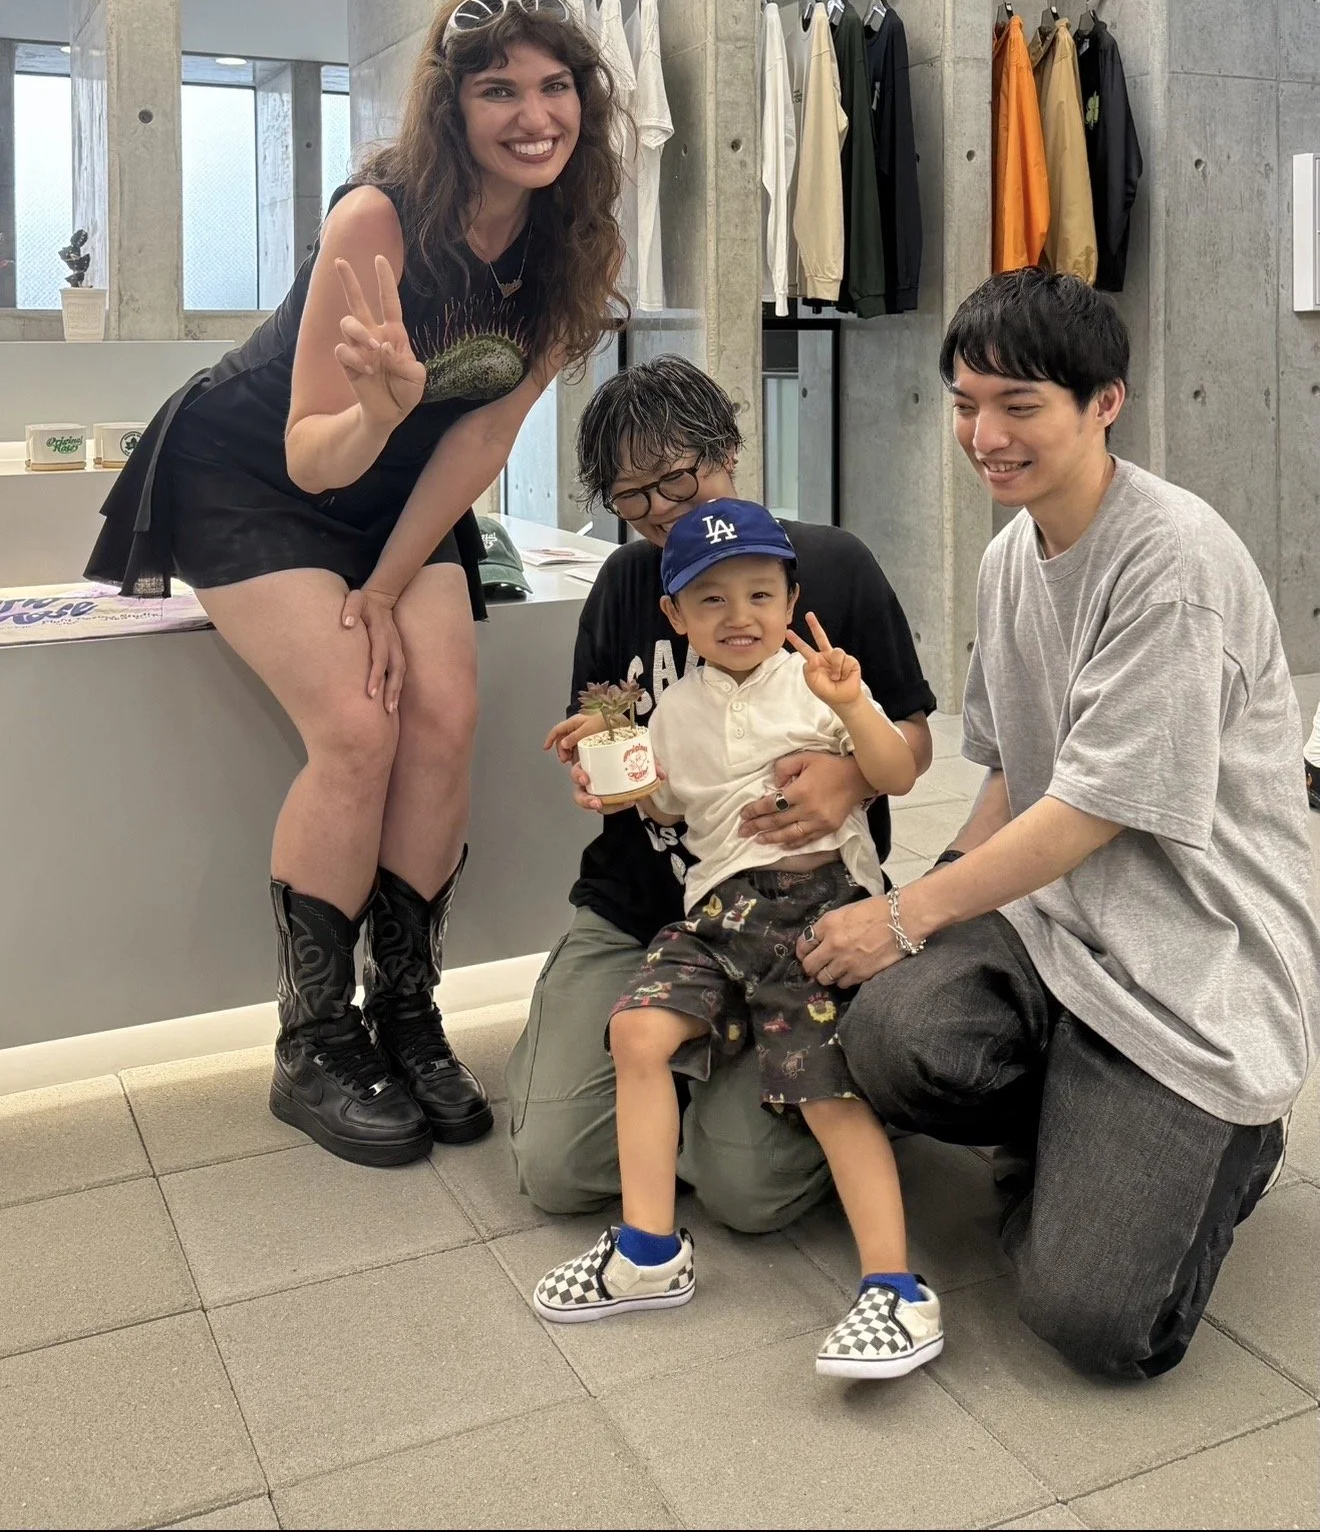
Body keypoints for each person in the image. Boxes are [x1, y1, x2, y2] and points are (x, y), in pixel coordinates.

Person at [88, 0, 624, 1168]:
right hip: (258, 477)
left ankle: (407, 1011)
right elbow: (308, 448)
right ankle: (314, 1042)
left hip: (404, 495)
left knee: (447, 714)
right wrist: (382, 408)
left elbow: (483, 438)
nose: (533, 116)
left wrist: (385, 586)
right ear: (453, 105)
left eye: (553, 87)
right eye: (498, 90)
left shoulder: (577, 241)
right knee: (358, 723)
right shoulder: (378, 220)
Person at [801, 268, 1320, 1379]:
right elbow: (1012, 775)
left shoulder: (1169, 562)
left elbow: (1085, 812)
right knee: (890, 1032)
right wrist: (925, 908)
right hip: (1056, 926)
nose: (984, 434)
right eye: (965, 402)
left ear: (1105, 404)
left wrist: (902, 913)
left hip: (1194, 956)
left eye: (1019, 405)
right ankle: (1087, 1115)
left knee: (1092, 1321)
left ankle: (1232, 1142)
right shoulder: (1008, 558)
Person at [506, 355, 935, 1229]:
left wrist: (849, 775)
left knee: (749, 1191)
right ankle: (686, 1067)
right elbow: (609, 717)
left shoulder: (832, 567)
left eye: (677, 478)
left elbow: (917, 740)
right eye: (633, 498)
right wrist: (603, 755)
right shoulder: (629, 583)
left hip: (799, 915)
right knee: (556, 1169)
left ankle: (812, 1079)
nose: (662, 512)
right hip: (645, 911)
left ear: (729, 450)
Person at [531, 499, 944, 1380]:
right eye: (710, 601)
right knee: (636, 1028)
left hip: (815, 905)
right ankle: (649, 1251)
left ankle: (897, 1288)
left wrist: (853, 709)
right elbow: (669, 805)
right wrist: (617, 779)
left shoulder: (819, 684)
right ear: (674, 617)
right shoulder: (673, 709)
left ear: (792, 600)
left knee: (825, 1089)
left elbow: (902, 766)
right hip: (713, 913)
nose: (740, 615)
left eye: (762, 593)